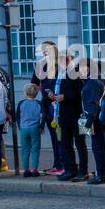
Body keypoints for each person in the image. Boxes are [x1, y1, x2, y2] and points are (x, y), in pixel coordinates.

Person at [52, 56, 88, 181]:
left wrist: (64, 97)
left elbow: (80, 93)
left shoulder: (76, 73)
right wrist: (53, 96)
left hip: (77, 115)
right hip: (63, 115)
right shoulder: (61, 75)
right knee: (65, 145)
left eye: (64, 60)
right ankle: (70, 169)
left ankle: (83, 171)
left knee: (80, 144)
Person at [35, 41, 65, 175]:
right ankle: (57, 164)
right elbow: (35, 83)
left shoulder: (59, 67)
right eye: (43, 51)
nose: (44, 53)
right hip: (47, 105)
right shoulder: (41, 66)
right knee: (54, 137)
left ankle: (63, 164)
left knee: (60, 137)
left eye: (47, 50)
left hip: (57, 106)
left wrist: (50, 92)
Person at [82, 61, 105, 184]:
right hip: (97, 118)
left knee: (98, 148)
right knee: (100, 147)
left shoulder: (93, 82)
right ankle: (102, 172)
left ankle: (101, 175)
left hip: (95, 119)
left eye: (82, 68)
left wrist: (89, 120)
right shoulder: (97, 79)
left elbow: (93, 102)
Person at [16, 83, 44, 177]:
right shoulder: (39, 103)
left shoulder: (21, 103)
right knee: (35, 149)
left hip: (24, 128)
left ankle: (26, 170)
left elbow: (18, 116)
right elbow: (43, 116)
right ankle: (35, 170)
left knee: (25, 149)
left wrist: (20, 127)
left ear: (25, 93)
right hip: (35, 128)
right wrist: (41, 126)